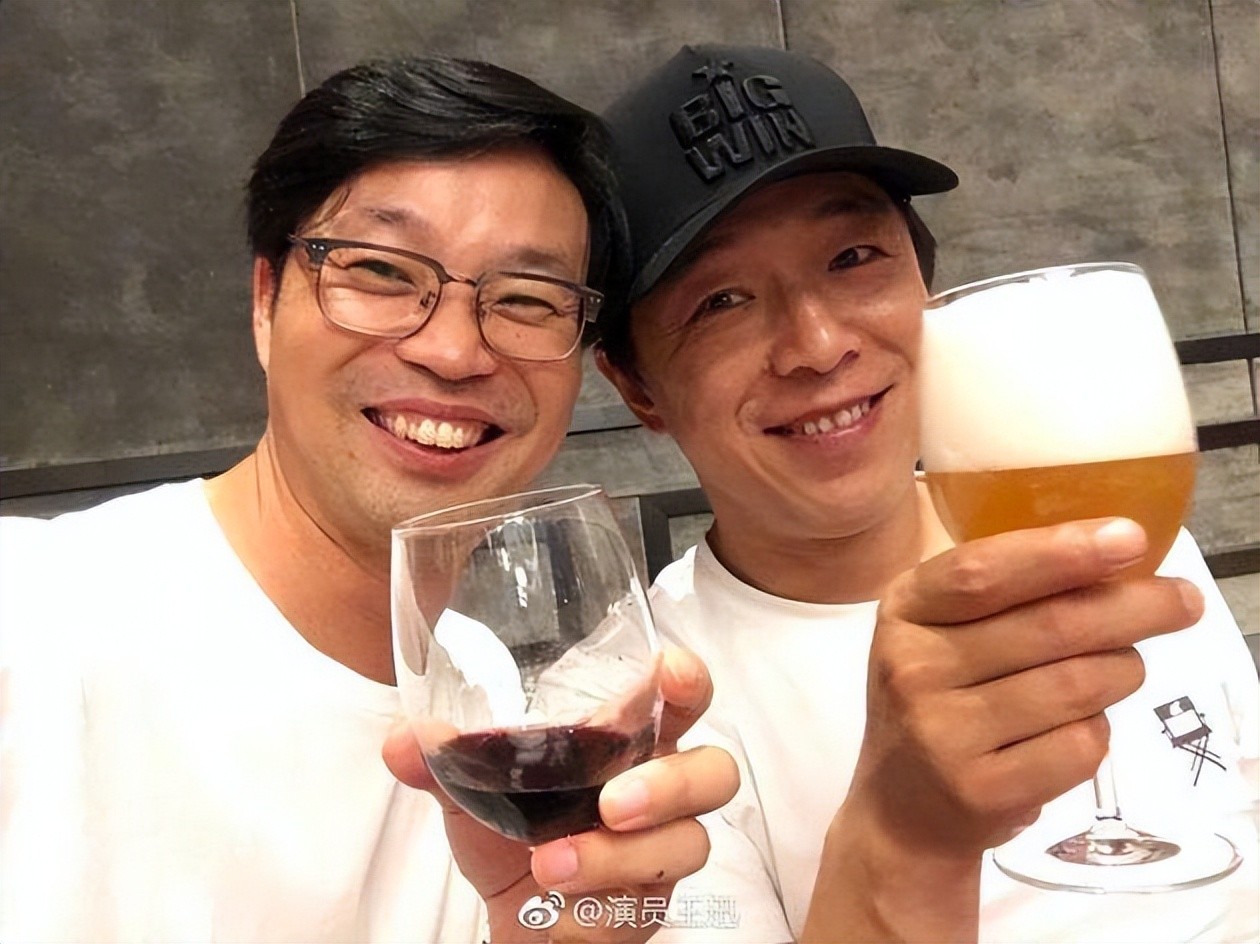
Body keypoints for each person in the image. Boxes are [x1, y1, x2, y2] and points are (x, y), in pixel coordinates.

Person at [0, 55, 739, 944]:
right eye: (383, 272)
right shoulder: (31, 622)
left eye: (527, 298)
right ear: (266, 301)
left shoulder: (534, 737)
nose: (454, 352)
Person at [592, 44, 1259, 942]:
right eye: (721, 302)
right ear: (637, 385)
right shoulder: (642, 714)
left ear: (925, 281)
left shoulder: (1113, 533)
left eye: (853, 256)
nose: (818, 345)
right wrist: (905, 834)